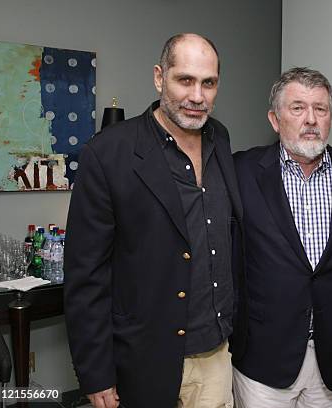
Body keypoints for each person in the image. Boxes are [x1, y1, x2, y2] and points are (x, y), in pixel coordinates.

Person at [64, 33, 243, 408]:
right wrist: (96, 375)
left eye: (208, 83)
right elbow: (86, 277)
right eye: (185, 80)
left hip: (214, 357)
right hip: (144, 361)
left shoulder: (220, 138)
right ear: (160, 77)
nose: (197, 95)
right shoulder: (108, 153)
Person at [230, 67, 332, 407]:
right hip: (263, 356)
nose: (311, 119)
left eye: (320, 109)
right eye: (297, 108)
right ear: (275, 119)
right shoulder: (241, 172)